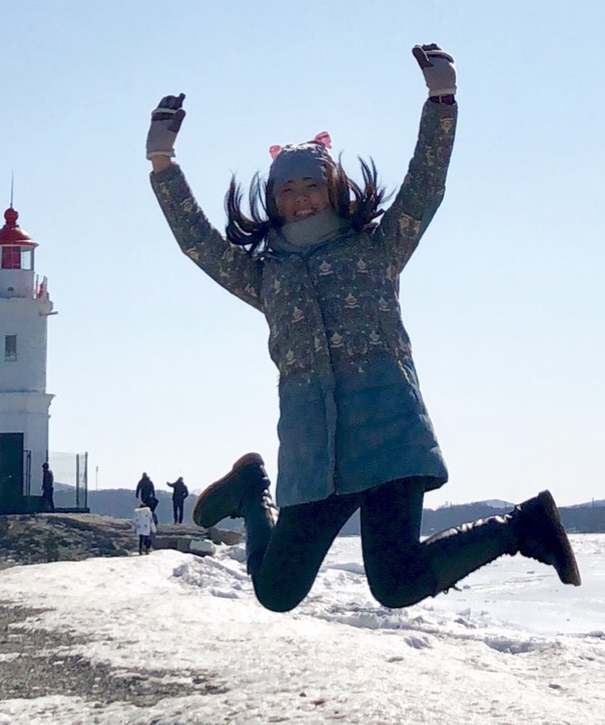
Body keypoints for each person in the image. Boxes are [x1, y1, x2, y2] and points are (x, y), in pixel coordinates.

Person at [144, 51, 580, 614]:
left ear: (330, 189)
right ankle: (253, 489)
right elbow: (198, 243)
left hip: (389, 436)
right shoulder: (264, 275)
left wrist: (441, 103)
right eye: (286, 190)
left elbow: (426, 186)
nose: (299, 198)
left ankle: (522, 526)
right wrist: (162, 161)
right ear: (272, 200)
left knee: (395, 583)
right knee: (276, 592)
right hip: (313, 451)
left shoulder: (377, 248)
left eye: (310, 186)